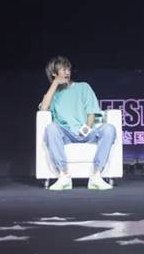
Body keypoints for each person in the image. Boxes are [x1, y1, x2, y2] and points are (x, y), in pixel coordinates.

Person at [39, 56, 116, 191]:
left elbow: (91, 112)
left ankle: (96, 175)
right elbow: (43, 109)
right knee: (51, 128)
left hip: (86, 133)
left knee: (109, 129)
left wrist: (86, 128)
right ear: (54, 73)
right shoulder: (53, 94)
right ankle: (64, 175)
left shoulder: (83, 87)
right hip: (67, 134)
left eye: (68, 69)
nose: (67, 72)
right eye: (63, 70)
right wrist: (55, 83)